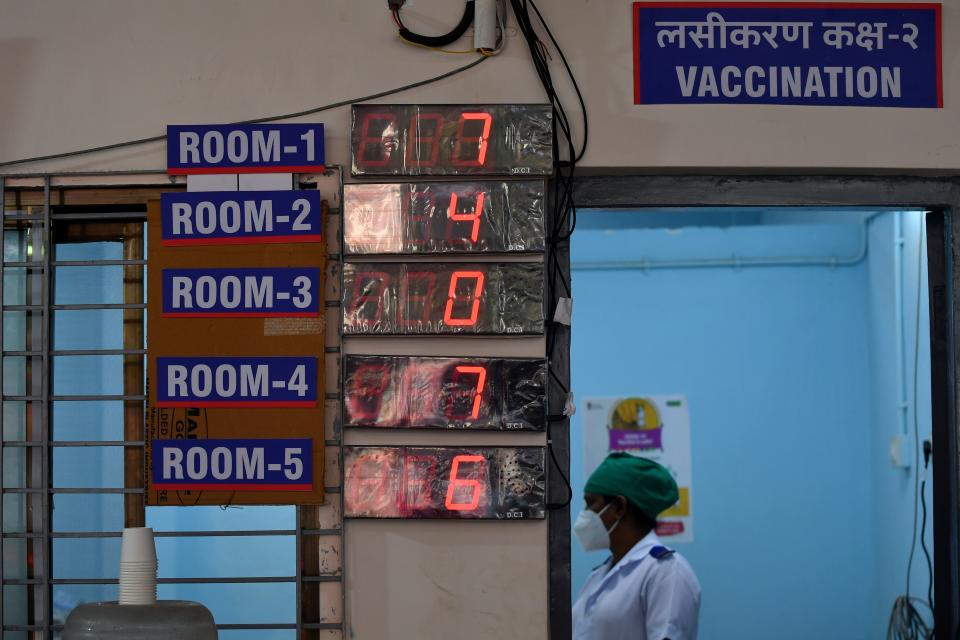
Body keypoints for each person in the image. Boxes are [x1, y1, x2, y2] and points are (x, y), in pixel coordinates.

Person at [572, 453, 701, 640]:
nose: (585, 513)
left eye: (591, 502)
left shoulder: (666, 572)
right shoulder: (598, 576)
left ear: (619, 507)